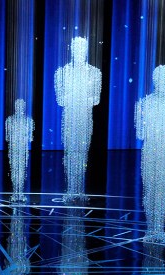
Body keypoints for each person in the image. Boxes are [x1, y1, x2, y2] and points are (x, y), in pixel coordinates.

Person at [135, 65, 165, 242]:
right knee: (150, 189)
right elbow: (139, 132)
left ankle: (159, 228)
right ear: (154, 80)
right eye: (159, 78)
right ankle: (151, 229)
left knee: (162, 189)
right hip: (152, 151)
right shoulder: (145, 102)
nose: (163, 81)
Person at [54, 36, 102, 200]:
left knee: (82, 153)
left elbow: (96, 99)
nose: (79, 51)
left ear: (86, 50)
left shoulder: (95, 73)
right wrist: (78, 96)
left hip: (85, 118)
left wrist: (77, 97)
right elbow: (60, 99)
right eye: (76, 47)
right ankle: (70, 189)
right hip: (69, 118)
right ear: (72, 50)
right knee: (69, 153)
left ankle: (79, 189)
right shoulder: (62, 72)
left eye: (82, 47)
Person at [5, 98, 34, 203]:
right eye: (17, 105)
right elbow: (7, 137)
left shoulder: (29, 121)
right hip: (13, 149)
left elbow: (30, 137)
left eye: (21, 105)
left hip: (22, 149)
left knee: (21, 170)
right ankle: (15, 193)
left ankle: (20, 192)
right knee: (14, 170)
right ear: (15, 107)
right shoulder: (9, 120)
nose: (19, 107)